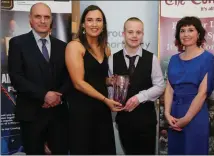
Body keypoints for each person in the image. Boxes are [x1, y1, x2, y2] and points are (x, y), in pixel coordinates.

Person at [8, 2, 69, 154]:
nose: (43, 21)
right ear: (30, 19)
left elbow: (69, 77)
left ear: (51, 21)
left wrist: (58, 97)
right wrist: (44, 95)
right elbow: (16, 77)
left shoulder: (63, 46)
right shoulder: (17, 43)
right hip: (31, 115)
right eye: (38, 16)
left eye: (46, 17)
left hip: (58, 115)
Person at [65, 5, 123, 155]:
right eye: (90, 20)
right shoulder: (75, 46)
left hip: (102, 111)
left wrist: (110, 81)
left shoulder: (105, 48)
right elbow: (78, 82)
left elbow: (96, 79)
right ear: (83, 24)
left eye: (98, 20)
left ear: (103, 25)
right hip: (82, 111)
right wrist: (105, 99)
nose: (94, 24)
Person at [108, 17, 165, 155]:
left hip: (146, 122)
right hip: (124, 122)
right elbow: (111, 88)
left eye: (138, 32)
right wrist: (112, 101)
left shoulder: (152, 58)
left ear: (142, 35)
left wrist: (139, 97)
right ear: (123, 34)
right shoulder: (112, 59)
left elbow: (160, 86)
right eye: (130, 32)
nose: (134, 36)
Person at [164, 16, 214, 155]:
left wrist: (186, 119)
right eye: (182, 30)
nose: (186, 34)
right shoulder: (174, 59)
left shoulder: (208, 58)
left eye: (190, 30)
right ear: (178, 35)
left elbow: (203, 93)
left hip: (195, 115)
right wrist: (167, 113)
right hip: (174, 116)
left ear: (198, 33)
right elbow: (169, 89)